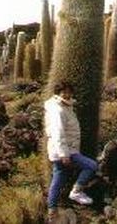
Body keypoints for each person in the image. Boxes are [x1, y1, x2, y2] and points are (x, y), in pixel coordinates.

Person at [44, 80, 98, 222]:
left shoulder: (65, 106)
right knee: (91, 165)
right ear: (58, 93)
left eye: (69, 91)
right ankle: (76, 192)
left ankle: (52, 211)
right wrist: (64, 154)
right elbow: (58, 132)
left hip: (65, 150)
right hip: (66, 151)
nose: (67, 94)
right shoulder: (58, 109)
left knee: (58, 180)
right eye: (64, 92)